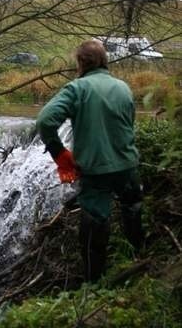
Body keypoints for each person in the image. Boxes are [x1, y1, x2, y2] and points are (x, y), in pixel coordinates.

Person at [36, 40, 144, 282]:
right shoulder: (123, 88)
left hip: (95, 169)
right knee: (132, 207)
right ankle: (138, 258)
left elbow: (45, 121)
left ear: (81, 63)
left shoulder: (77, 88)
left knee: (95, 221)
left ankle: (93, 282)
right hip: (127, 165)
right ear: (105, 61)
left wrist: (57, 152)